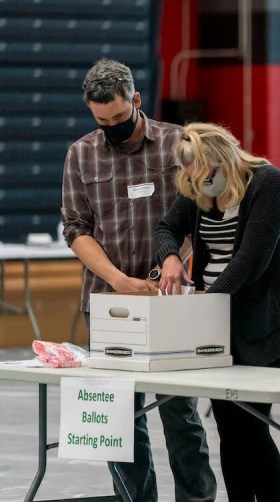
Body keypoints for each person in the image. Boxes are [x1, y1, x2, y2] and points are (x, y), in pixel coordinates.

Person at [61, 59, 217, 501]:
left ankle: (196, 498)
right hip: (110, 302)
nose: (112, 126)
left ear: (136, 100)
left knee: (179, 412)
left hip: (170, 299)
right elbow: (76, 228)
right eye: (101, 120)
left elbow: (206, 211)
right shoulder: (81, 153)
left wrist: (174, 259)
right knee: (120, 418)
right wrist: (118, 281)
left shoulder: (177, 145)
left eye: (119, 116)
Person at [154, 122, 280, 501]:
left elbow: (251, 261)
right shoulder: (199, 187)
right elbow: (166, 227)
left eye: (200, 171)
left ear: (223, 160)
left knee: (251, 424)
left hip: (265, 323)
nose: (192, 179)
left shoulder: (269, 184)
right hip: (218, 323)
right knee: (227, 425)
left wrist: (204, 304)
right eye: (187, 172)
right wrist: (170, 258)